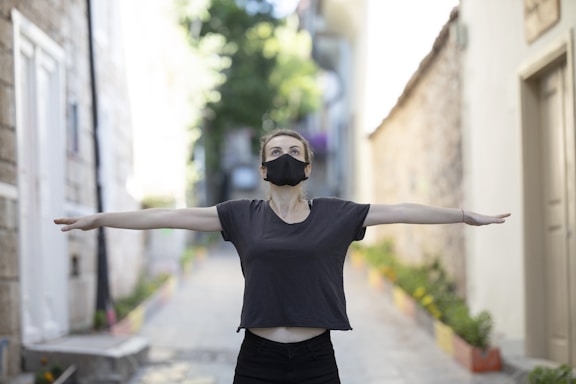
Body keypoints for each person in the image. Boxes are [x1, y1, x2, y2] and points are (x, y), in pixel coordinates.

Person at [54, 129, 509, 384]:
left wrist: (465, 215)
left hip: (316, 361)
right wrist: (101, 219)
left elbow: (403, 210)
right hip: (257, 361)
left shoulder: (337, 215)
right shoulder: (240, 216)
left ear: (308, 167)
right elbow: (171, 216)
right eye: (277, 153)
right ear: (264, 168)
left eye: (295, 152)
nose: (286, 157)